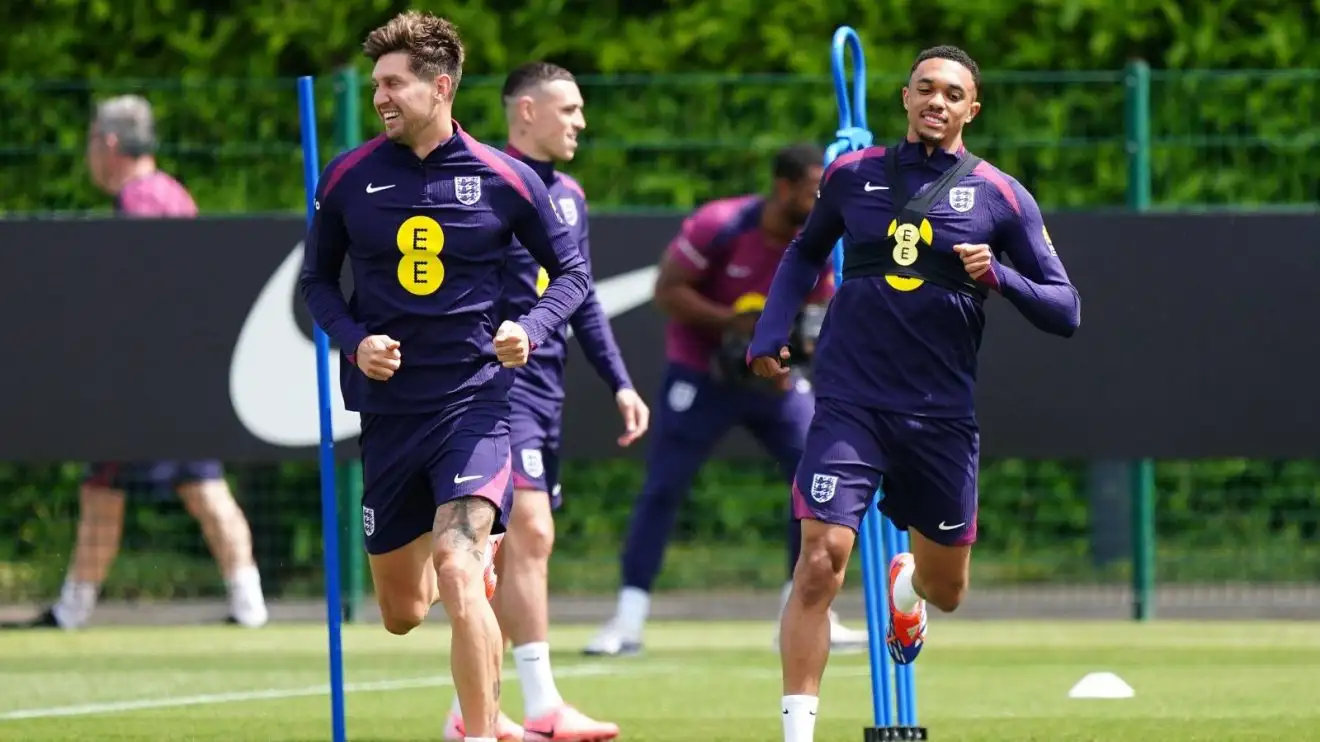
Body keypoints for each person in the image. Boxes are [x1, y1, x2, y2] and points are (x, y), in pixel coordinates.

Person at [746, 46, 1081, 741]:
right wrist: (770, 331)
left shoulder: (1001, 194)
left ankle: (907, 589)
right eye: (926, 88)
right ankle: (796, 733)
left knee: (947, 591)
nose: (937, 101)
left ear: (972, 109)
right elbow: (806, 251)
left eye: (953, 94)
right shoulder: (851, 175)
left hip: (939, 418)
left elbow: (1066, 308)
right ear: (904, 97)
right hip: (849, 403)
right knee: (819, 562)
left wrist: (1001, 279)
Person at [297, 13, 591, 742]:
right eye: (375, 87)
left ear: (441, 85)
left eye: (393, 84)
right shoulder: (347, 176)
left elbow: (573, 275)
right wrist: (354, 341)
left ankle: (481, 732)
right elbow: (316, 284)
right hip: (391, 416)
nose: (381, 98)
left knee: (460, 571)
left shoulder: (504, 178)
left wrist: (533, 326)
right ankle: (466, 581)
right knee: (402, 612)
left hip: (476, 407)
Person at [583, 143, 869, 658]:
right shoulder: (720, 224)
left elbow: (817, 313)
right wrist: (731, 324)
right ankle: (627, 620)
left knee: (818, 480)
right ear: (783, 187)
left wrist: (788, 357)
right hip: (702, 373)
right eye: (812, 190)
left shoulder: (821, 238)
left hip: (772, 381)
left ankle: (801, 610)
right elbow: (668, 290)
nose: (820, 200)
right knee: (664, 487)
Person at [2, 95, 269, 632]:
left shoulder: (140, 202)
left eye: (90, 144)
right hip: (181, 378)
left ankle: (72, 612)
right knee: (188, 487)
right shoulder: (173, 192)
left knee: (115, 489)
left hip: (144, 383)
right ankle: (249, 607)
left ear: (109, 144)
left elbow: (140, 295)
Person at [442, 61, 644, 742]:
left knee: (504, 548)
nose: (581, 122)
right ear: (524, 112)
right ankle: (541, 706)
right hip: (495, 388)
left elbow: (580, 297)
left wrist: (618, 381)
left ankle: (472, 709)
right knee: (529, 531)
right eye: (569, 110)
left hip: (548, 390)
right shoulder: (479, 184)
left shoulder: (571, 198)